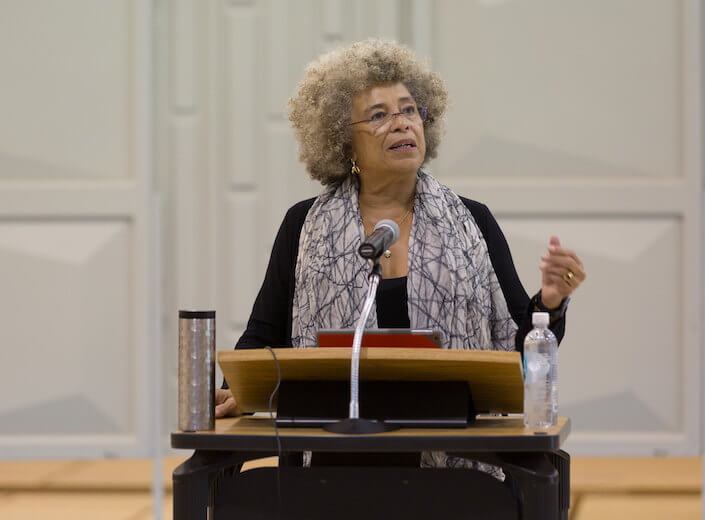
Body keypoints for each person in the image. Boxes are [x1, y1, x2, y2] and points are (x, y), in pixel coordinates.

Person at [215, 40, 586, 446]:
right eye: (379, 115)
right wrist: (236, 391)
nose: (402, 123)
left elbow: (519, 349)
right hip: (332, 448)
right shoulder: (304, 225)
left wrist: (549, 303)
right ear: (343, 142)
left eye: (410, 110)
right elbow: (262, 338)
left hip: (455, 451)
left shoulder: (472, 221)